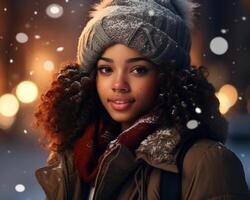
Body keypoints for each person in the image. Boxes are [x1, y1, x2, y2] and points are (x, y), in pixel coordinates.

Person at [34, 0, 250, 199]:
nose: (118, 84)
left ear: (167, 76)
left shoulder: (207, 163)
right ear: (92, 76)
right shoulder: (73, 157)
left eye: (138, 70)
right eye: (106, 69)